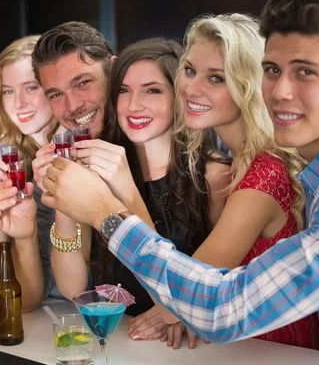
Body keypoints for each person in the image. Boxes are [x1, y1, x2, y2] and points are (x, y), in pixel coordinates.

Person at [41, 0, 319, 364]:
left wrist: (105, 213)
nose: (279, 91)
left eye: (305, 73)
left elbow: (219, 307)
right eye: (273, 70)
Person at [128, 14, 319, 351]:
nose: (191, 88)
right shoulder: (241, 161)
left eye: (216, 78)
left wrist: (120, 193)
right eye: (189, 70)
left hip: (279, 354)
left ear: (249, 86)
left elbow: (188, 294)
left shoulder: (266, 174)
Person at [52, 38, 230, 325]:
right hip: (116, 336)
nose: (134, 106)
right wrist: (62, 192)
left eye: (153, 91)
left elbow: (196, 297)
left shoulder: (213, 175)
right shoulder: (97, 165)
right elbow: (72, 287)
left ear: (180, 96)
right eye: (124, 90)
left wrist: (173, 317)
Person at [0, 35, 65, 311]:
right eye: (8, 91)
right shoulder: (1, 156)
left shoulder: (80, 142)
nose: (19, 103)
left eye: (31, 87)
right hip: (44, 304)